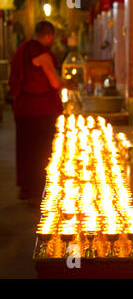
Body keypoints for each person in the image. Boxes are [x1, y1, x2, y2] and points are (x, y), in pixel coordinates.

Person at [9, 21, 69, 205]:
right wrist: (68, 83)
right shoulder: (42, 54)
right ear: (49, 35)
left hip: (24, 108)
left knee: (26, 149)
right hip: (41, 109)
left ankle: (27, 188)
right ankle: (38, 190)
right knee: (41, 151)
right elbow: (54, 83)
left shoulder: (23, 48)